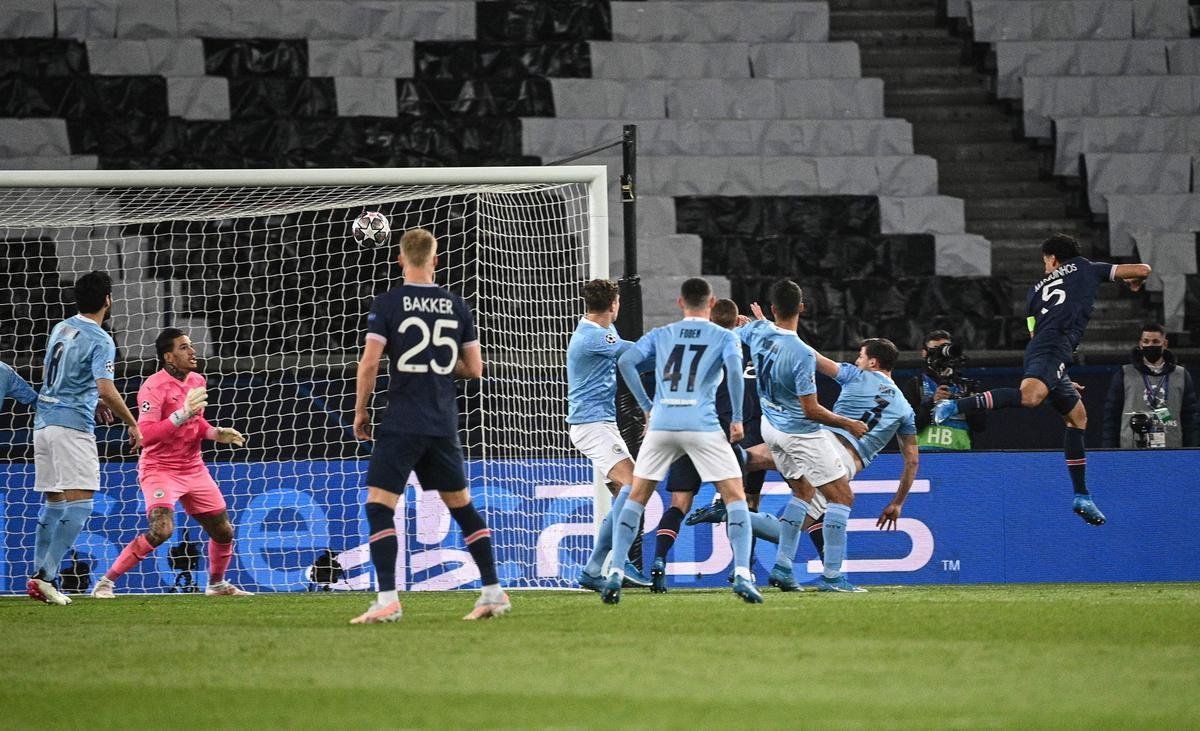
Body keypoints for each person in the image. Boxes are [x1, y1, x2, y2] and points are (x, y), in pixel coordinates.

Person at [934, 233, 1151, 525]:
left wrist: (1058, 375)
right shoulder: (1086, 267)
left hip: (1048, 352)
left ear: (1052, 258)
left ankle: (1082, 496)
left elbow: (1035, 335)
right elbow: (1143, 269)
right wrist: (1135, 282)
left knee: (1077, 417)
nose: (1046, 266)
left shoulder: (1035, 290)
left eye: (1045, 261)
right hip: (1055, 349)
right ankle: (955, 407)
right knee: (1030, 397)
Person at [351, 227, 509, 624]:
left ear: (401, 259)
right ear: (435, 260)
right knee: (462, 507)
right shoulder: (457, 305)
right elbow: (474, 369)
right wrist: (439, 367)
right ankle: (492, 591)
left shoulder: (388, 303)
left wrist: (360, 411)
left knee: (379, 505)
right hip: (442, 422)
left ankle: (387, 599)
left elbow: (370, 363)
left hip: (403, 419)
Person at [690, 337, 920, 589]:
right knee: (826, 508)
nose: (857, 360)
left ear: (873, 362)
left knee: (750, 459)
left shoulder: (855, 375)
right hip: (839, 460)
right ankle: (832, 577)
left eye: (861, 356)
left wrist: (774, 332)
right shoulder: (905, 409)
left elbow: (813, 356)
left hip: (813, 440)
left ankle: (781, 568)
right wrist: (897, 503)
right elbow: (912, 461)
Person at [606, 277, 762, 604]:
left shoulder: (663, 334)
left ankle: (617, 570)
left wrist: (647, 407)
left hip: (662, 423)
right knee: (734, 497)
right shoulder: (722, 336)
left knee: (637, 497)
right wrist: (735, 418)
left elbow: (626, 361)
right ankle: (744, 575)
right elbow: (735, 373)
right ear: (711, 302)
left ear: (680, 303)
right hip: (702, 423)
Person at [728, 282, 871, 592]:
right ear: (802, 308)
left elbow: (739, 329)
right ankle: (833, 577)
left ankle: (781, 568)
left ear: (774, 309)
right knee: (842, 497)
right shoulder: (801, 353)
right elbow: (811, 410)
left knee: (803, 492)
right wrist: (848, 423)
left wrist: (754, 323)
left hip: (770, 427)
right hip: (799, 433)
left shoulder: (759, 333)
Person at [92, 328, 251, 598]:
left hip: (193, 467)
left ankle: (216, 585)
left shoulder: (197, 380)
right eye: (184, 347)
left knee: (223, 531)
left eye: (191, 346)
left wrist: (215, 433)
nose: (192, 351)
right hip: (160, 469)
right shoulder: (153, 387)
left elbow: (196, 423)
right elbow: (146, 435)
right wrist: (182, 413)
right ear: (168, 356)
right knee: (162, 530)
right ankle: (105, 583)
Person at [27, 271, 142, 605]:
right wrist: (132, 423)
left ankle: (39, 577)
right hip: (70, 428)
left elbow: (60, 377)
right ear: (108, 299)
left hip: (44, 423)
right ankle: (45, 578)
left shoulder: (61, 327)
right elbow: (106, 387)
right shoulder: (101, 339)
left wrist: (92, 403)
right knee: (81, 504)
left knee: (55, 503)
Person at [648, 298, 774, 593]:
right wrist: (762, 325)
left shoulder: (691, 352)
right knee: (741, 502)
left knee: (679, 504)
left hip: (683, 434)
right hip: (724, 437)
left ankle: (658, 560)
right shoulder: (740, 347)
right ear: (735, 322)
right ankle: (743, 570)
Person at [567, 279, 652, 591]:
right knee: (634, 485)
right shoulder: (592, 337)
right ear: (614, 305)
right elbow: (637, 353)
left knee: (624, 494)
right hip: (592, 426)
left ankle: (598, 567)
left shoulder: (601, 331)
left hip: (602, 424)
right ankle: (612, 561)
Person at [1102, 323, 1198, 448]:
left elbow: (1190, 418)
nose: (1150, 345)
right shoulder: (1125, 374)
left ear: (1164, 344)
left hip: (1172, 449)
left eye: (1155, 341)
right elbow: (1112, 416)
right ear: (1140, 344)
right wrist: (1109, 451)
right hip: (1131, 449)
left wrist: (1193, 451)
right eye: (1146, 341)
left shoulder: (1181, 375)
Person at [901, 330, 986, 451]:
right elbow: (907, 426)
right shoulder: (916, 384)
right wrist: (932, 402)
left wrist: (970, 404)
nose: (941, 354)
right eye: (935, 349)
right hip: (925, 456)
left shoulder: (965, 386)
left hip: (961, 457)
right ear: (924, 353)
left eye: (945, 349)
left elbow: (980, 426)